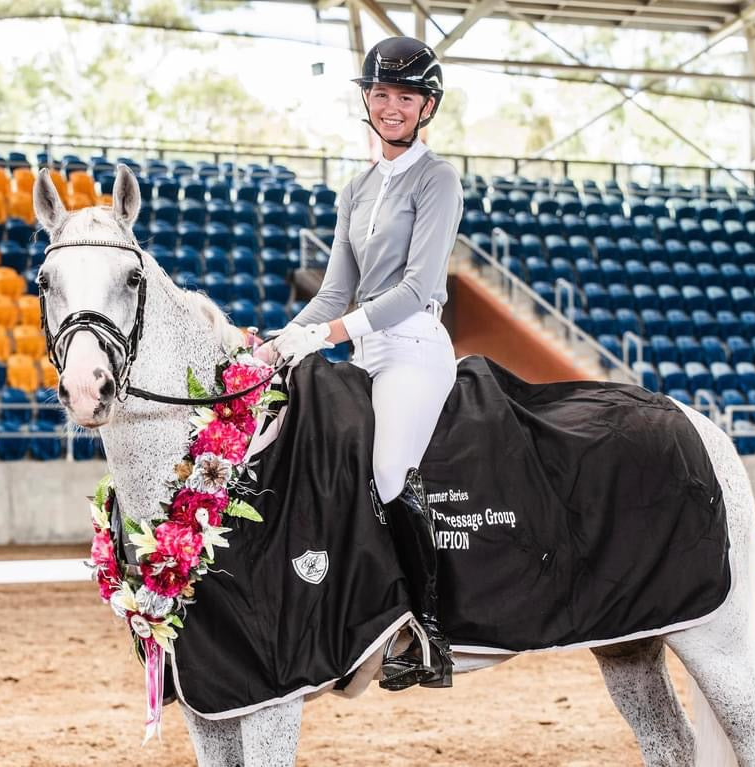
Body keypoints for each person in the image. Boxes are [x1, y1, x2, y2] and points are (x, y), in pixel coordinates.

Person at [260, 36, 463, 691]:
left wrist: (327, 336)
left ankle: (427, 631)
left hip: (414, 347)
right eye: (381, 93)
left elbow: (412, 287)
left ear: (426, 105)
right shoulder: (355, 188)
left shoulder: (438, 180)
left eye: (405, 96)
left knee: (383, 469)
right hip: (364, 350)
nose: (392, 106)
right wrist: (272, 345)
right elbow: (330, 292)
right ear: (367, 101)